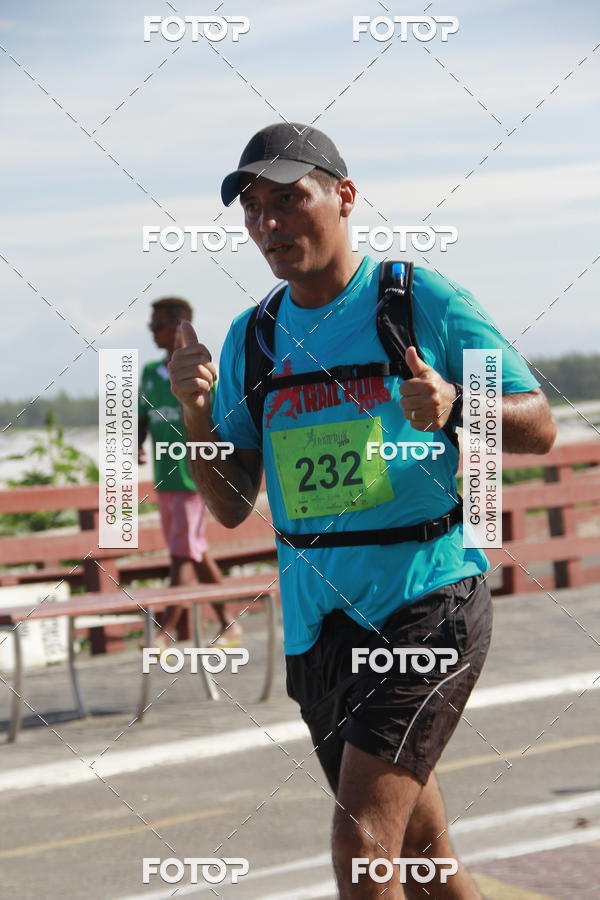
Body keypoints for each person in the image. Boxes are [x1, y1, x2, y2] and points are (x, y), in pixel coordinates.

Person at [168, 123, 557, 899]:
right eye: (252, 209)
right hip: (320, 626)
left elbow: (540, 425)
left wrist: (455, 406)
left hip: (426, 599)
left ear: (345, 197)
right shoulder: (257, 335)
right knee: (425, 862)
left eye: (289, 199)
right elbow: (234, 501)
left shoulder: (421, 301)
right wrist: (197, 412)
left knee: (363, 846)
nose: (268, 224)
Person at [138, 296, 242, 649]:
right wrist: (136, 444)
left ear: (178, 325)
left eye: (158, 325)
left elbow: (217, 419)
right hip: (164, 475)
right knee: (192, 550)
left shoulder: (201, 371)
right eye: (150, 325)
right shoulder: (151, 374)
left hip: (191, 476)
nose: (152, 331)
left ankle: (165, 633)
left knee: (182, 553)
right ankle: (229, 623)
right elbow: (142, 415)